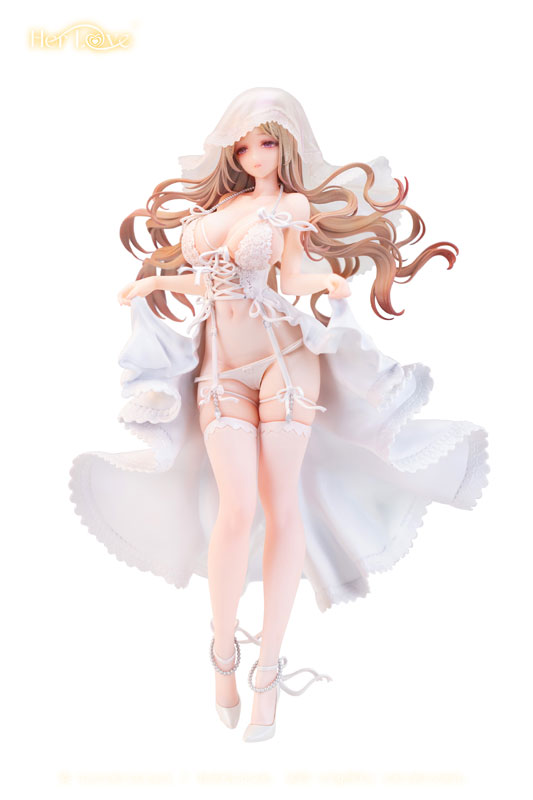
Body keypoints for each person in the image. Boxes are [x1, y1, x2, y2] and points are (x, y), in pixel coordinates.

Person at [69, 87, 490, 743]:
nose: (255, 154)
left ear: (285, 144)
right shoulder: (218, 209)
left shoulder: (289, 206)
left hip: (284, 360)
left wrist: (324, 282)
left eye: (266, 141)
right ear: (231, 149)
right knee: (236, 507)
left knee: (280, 501)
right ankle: (222, 652)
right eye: (244, 144)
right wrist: (155, 282)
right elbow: (209, 282)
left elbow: (289, 277)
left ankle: (267, 670)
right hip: (218, 371)